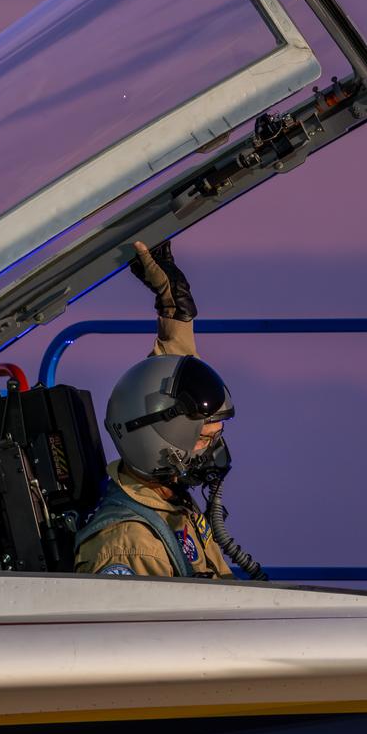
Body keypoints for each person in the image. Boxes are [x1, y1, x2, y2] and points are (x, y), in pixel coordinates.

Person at [74, 241, 261, 579]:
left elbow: (162, 391)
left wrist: (175, 312)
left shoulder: (165, 502)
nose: (213, 450)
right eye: (204, 438)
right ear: (158, 445)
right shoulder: (133, 547)